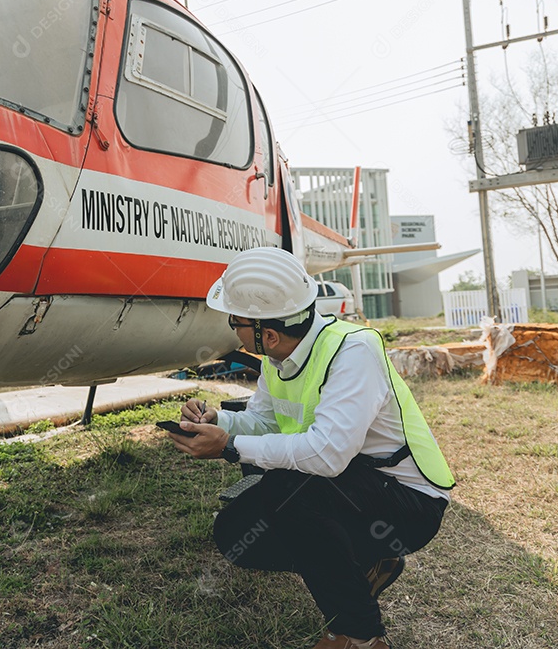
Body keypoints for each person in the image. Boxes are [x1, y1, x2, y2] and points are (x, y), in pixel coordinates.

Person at [168, 247, 454, 649]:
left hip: (408, 501)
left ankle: (359, 634)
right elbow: (266, 421)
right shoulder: (278, 354)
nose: (232, 328)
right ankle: (366, 564)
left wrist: (231, 447)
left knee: (288, 491)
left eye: (236, 320)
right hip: (353, 487)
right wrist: (220, 422)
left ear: (266, 333)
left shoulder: (352, 351)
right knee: (238, 533)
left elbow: (326, 456)